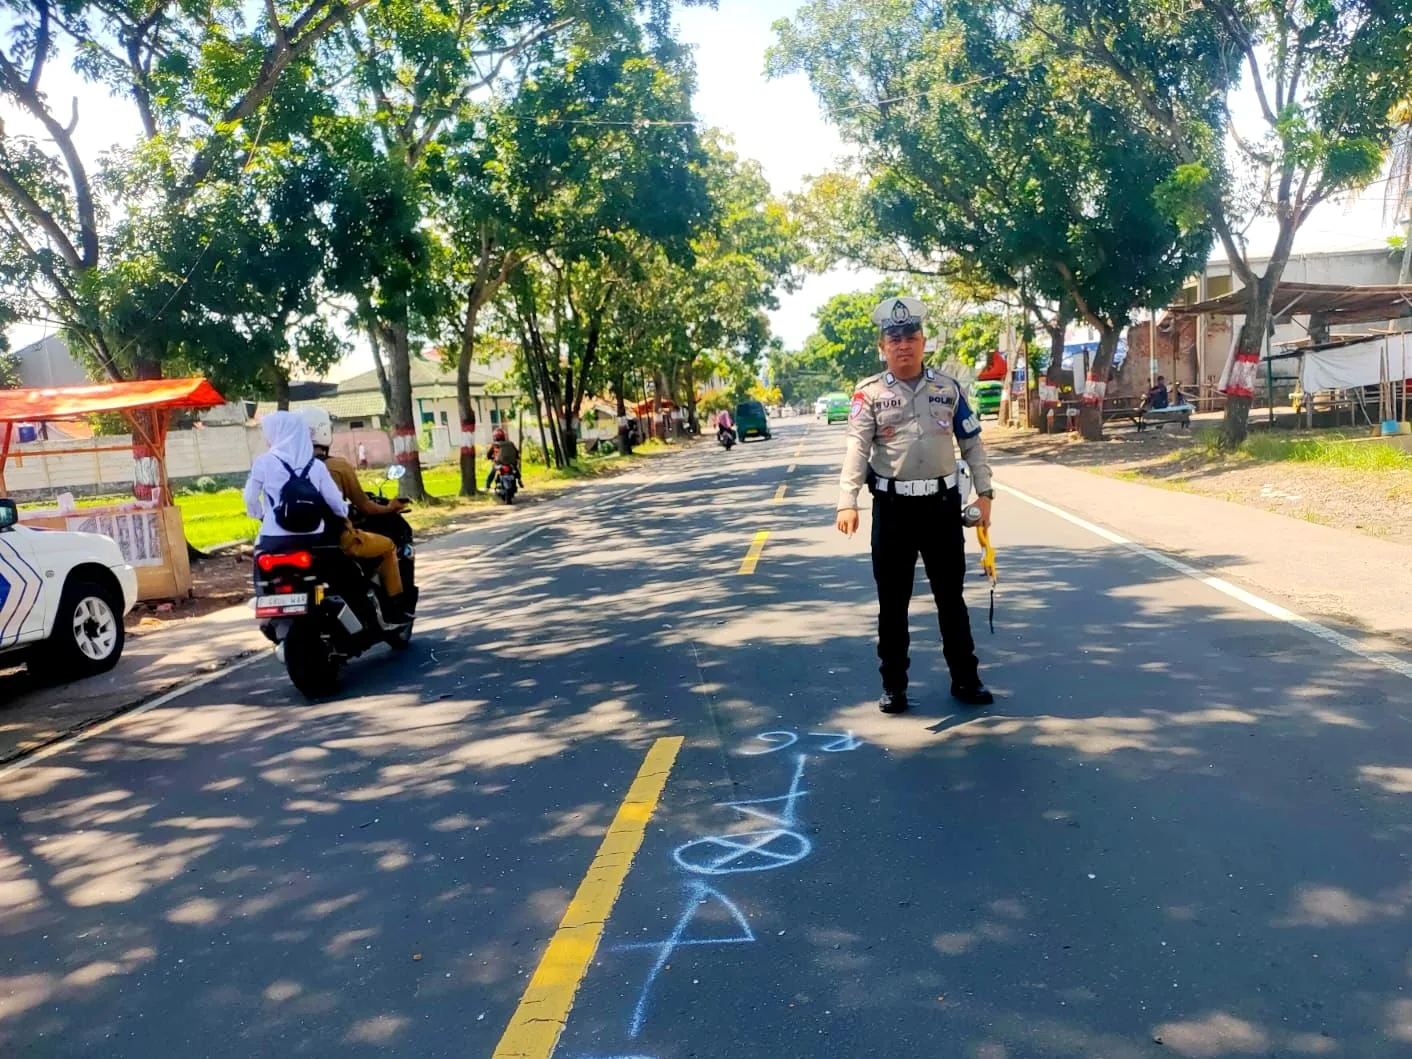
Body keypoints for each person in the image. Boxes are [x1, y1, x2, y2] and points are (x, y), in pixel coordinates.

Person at [835, 296, 995, 714]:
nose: (903, 345)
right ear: (882, 347)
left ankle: (966, 678)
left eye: (911, 337)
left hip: (942, 508)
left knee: (951, 598)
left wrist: (985, 493)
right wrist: (846, 500)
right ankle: (894, 685)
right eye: (894, 338)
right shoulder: (868, 395)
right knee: (893, 601)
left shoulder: (948, 389)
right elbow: (856, 447)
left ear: (924, 342)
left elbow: (972, 443)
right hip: (894, 511)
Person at [300, 408, 411, 620]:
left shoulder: (284, 467)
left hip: (292, 543)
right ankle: (395, 609)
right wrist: (391, 507)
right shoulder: (337, 467)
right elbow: (364, 506)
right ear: (324, 433)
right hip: (335, 540)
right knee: (388, 546)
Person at [244, 410, 349, 547]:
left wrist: (258, 515)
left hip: (274, 535)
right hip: (313, 534)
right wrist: (343, 511)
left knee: (260, 558)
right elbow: (334, 500)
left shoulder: (264, 462)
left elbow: (250, 497)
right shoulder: (317, 466)